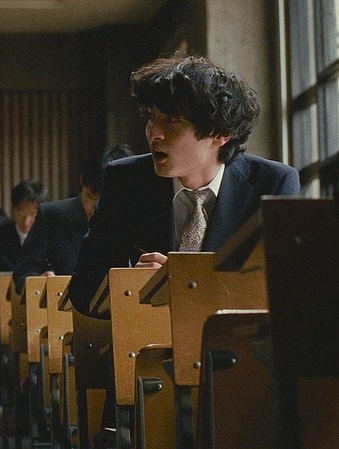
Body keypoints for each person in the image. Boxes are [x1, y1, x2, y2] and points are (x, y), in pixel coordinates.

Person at [67, 54, 300, 318]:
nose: (154, 133)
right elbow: (83, 287)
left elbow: (284, 289)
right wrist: (133, 285)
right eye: (152, 117)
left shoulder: (272, 183)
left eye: (172, 120)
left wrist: (186, 286)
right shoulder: (125, 180)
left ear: (221, 134)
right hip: (149, 337)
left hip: (233, 339)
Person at [13, 144, 134, 292]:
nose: (97, 208)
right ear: (82, 180)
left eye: (107, 202)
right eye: (91, 197)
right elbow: (23, 271)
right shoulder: (52, 215)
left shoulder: (137, 219)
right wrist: (39, 280)